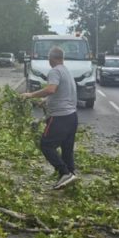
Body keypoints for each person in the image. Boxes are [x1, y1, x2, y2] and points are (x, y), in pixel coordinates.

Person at [22, 46, 79, 190]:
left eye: (48, 58)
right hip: (72, 117)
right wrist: (46, 101)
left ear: (52, 58)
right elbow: (61, 92)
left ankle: (64, 172)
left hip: (60, 118)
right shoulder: (66, 71)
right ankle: (70, 176)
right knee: (67, 149)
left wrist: (30, 95)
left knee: (46, 145)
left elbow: (51, 89)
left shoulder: (55, 71)